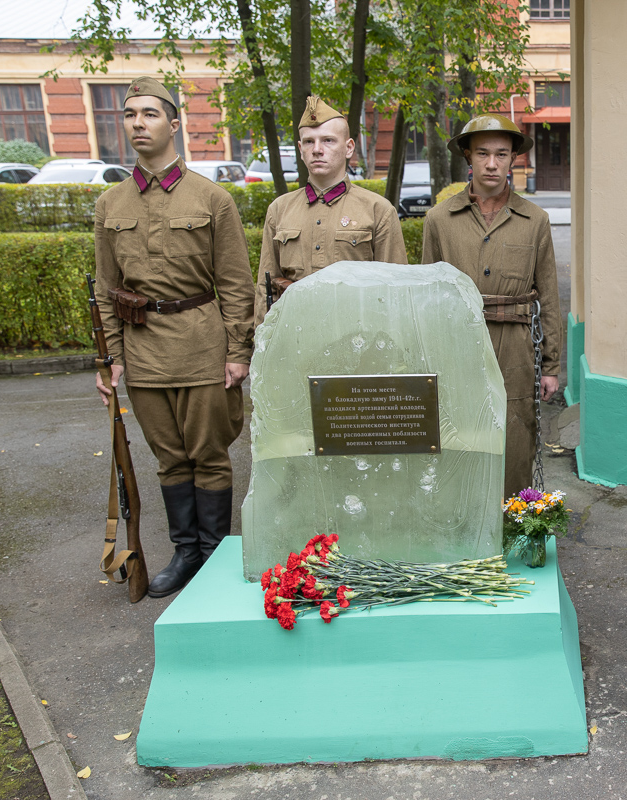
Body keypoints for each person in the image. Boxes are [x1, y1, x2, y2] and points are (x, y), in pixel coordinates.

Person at [93, 76, 255, 598]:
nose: (138, 123)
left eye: (150, 114)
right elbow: (105, 288)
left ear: (174, 124)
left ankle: (214, 555)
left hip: (203, 346)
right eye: (129, 114)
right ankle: (185, 553)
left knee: (209, 455)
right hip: (143, 352)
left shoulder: (211, 198)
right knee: (168, 458)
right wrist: (111, 360)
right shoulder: (110, 204)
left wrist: (238, 352)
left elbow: (234, 283)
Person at [420, 114, 561, 498]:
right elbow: (426, 297)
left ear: (514, 158)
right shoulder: (439, 220)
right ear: (468, 156)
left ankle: (514, 522)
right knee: (459, 433)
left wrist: (551, 365)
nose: (492, 163)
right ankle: (462, 523)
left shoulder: (535, 220)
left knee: (516, 436)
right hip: (456, 345)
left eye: (501, 153)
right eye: (482, 153)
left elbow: (548, 295)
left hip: (515, 345)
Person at [254, 96, 406, 322]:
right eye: (308, 142)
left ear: (349, 148)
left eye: (328, 140)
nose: (317, 150)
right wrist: (260, 344)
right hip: (295, 340)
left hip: (357, 340)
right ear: (300, 148)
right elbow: (265, 287)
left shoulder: (377, 210)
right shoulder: (280, 210)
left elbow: (396, 291)